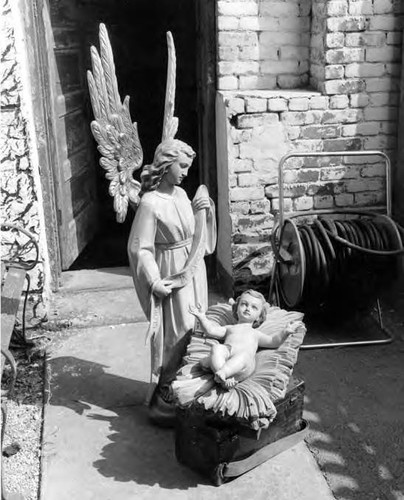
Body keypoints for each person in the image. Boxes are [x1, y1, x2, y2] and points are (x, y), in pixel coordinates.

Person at [127, 138, 216, 422]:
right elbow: (140, 247)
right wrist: (153, 280)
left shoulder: (181, 195)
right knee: (177, 332)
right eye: (183, 166)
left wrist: (205, 211)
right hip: (170, 271)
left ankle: (186, 387)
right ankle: (166, 392)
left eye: (189, 167)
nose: (186, 173)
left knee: (198, 326)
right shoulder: (150, 203)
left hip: (193, 268)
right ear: (166, 165)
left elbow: (198, 235)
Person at [189, 290, 298, 389]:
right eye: (244, 304)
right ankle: (223, 378)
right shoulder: (230, 328)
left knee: (243, 356)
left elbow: (273, 341)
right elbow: (211, 330)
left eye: (254, 307)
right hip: (226, 357)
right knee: (217, 348)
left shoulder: (255, 333)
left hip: (243, 366)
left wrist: (285, 332)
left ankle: (221, 372)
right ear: (236, 309)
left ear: (259, 317)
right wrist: (201, 317)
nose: (248, 308)